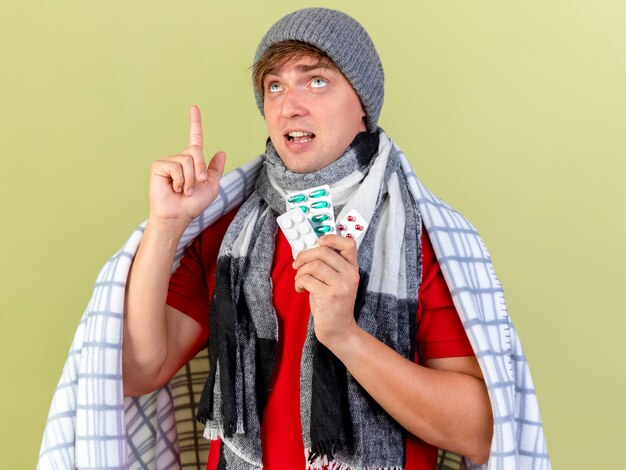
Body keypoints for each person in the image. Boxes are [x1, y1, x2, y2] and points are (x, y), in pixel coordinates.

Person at [121, 8, 493, 469]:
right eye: (274, 85)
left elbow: (477, 432)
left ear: (363, 103)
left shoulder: (417, 239)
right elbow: (139, 371)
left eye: (315, 80)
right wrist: (166, 223)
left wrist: (346, 336)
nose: (288, 105)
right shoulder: (230, 232)